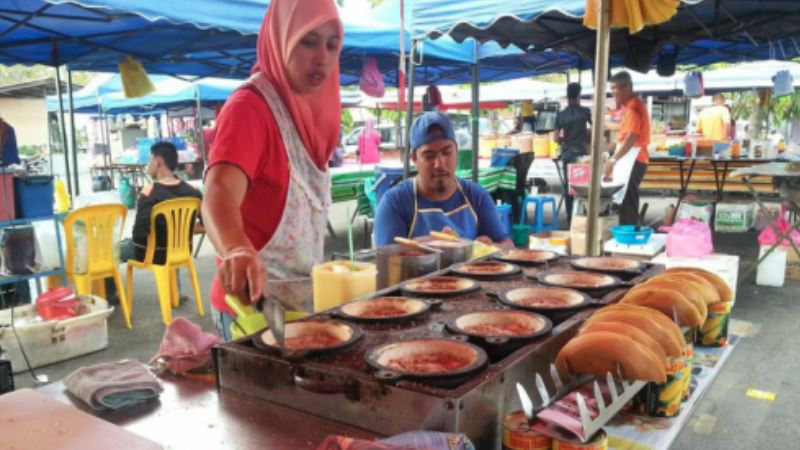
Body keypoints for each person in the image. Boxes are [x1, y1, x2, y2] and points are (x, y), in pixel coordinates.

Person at [201, 0, 343, 340]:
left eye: (332, 45)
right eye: (308, 41)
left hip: (301, 305)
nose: (321, 57)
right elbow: (218, 192)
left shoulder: (317, 109)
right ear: (282, 38)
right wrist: (237, 249)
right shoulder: (249, 107)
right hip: (251, 305)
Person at [374, 112, 513, 248]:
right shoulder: (395, 203)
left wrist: (492, 247)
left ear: (456, 151)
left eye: (446, 153)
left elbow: (507, 246)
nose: (439, 163)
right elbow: (387, 260)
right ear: (414, 158)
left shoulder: (476, 196)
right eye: (429, 155)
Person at [603, 71, 650, 225]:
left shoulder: (632, 109)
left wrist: (613, 160)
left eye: (615, 89)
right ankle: (628, 230)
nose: (613, 93)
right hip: (633, 158)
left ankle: (628, 235)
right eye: (612, 89)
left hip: (634, 159)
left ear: (627, 87)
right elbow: (625, 136)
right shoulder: (633, 106)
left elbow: (631, 138)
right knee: (627, 200)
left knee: (628, 202)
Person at [554, 82, 592, 225]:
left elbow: (556, 138)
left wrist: (566, 138)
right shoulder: (585, 111)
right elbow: (596, 127)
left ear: (567, 95)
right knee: (584, 186)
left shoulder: (561, 115)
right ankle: (585, 216)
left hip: (568, 153)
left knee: (569, 187)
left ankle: (571, 218)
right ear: (579, 95)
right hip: (583, 154)